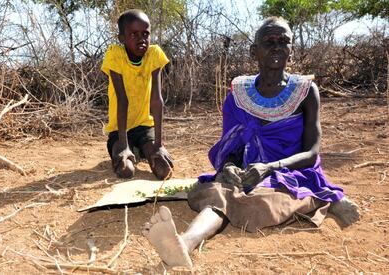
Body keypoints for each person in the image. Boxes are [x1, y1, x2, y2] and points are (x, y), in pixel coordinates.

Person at [142, 17, 360, 268]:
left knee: (261, 200)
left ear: (292, 48)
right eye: (269, 42)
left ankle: (324, 199)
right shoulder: (239, 93)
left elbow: (311, 153)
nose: (277, 47)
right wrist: (230, 167)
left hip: (292, 174)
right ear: (254, 51)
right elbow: (232, 146)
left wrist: (270, 168)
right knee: (217, 191)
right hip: (249, 172)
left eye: (283, 41)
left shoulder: (306, 91)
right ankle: (184, 244)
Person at [101, 9, 173, 180]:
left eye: (145, 33)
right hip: (120, 130)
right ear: (122, 38)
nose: (141, 39)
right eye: (134, 34)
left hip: (144, 128)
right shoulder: (115, 55)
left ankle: (142, 149)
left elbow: (156, 100)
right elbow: (122, 99)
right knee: (126, 171)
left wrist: (159, 144)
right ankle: (129, 148)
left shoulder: (154, 54)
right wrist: (123, 145)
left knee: (163, 171)